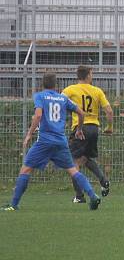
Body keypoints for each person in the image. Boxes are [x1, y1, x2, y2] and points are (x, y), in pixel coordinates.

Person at [2, 72, 101, 211]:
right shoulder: (62, 98)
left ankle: (14, 204)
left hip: (44, 141)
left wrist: (29, 134)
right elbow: (81, 113)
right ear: (56, 85)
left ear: (42, 84)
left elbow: (38, 115)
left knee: (26, 169)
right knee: (73, 170)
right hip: (60, 141)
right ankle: (93, 195)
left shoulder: (40, 96)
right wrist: (79, 129)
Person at [62, 65, 114, 203]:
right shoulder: (97, 91)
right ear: (87, 75)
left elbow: (58, 103)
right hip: (94, 128)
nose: (93, 76)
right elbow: (109, 111)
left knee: (73, 162)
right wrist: (109, 127)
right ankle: (104, 181)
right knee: (85, 158)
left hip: (80, 128)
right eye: (92, 74)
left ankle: (79, 196)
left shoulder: (70, 90)